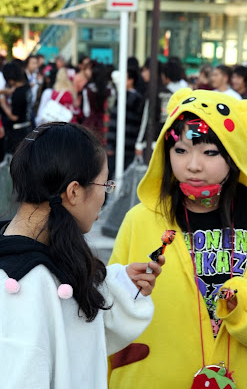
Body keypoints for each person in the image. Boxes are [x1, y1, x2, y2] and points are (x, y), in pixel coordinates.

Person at [108, 88, 247, 388]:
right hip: (155, 377)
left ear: (234, 155)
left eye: (210, 153)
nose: (193, 165)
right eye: (180, 150)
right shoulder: (140, 219)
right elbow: (108, 310)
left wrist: (246, 305)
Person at [0, 122, 164, 388]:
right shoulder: (19, 285)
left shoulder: (48, 258)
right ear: (74, 191)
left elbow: (79, 343)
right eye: (105, 184)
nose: (104, 195)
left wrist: (120, 285)